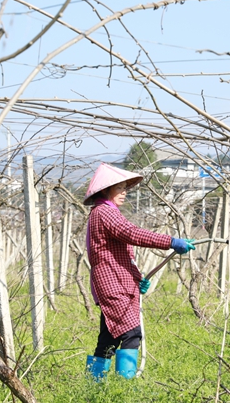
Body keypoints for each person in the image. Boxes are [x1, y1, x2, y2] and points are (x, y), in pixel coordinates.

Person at [82, 163, 195, 380]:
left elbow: (119, 254)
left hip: (117, 282)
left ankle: (92, 386)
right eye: (119, 188)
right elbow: (131, 233)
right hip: (111, 284)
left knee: (109, 339)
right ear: (105, 190)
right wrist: (170, 241)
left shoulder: (104, 212)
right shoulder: (104, 212)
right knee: (131, 333)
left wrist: (136, 279)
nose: (124, 192)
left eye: (125, 188)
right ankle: (124, 387)